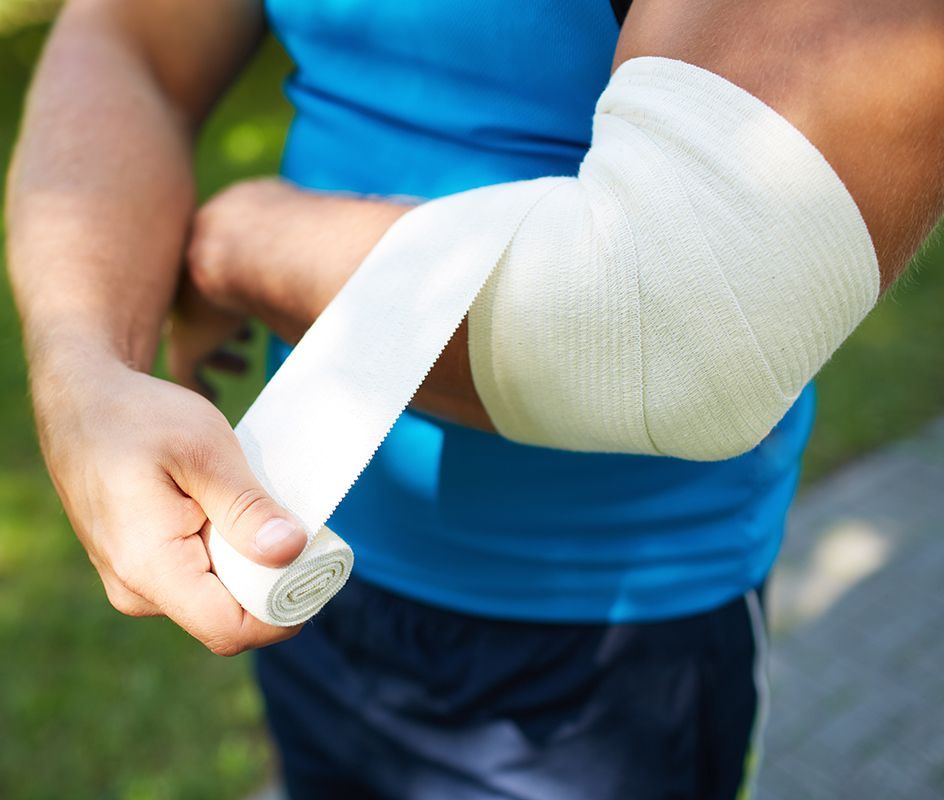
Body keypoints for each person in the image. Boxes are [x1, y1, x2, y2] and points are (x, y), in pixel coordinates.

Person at [6, 1, 944, 798]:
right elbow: (132, 41)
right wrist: (85, 373)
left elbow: (680, 321)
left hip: (608, 640)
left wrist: (239, 245)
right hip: (304, 544)